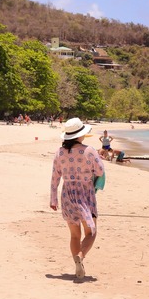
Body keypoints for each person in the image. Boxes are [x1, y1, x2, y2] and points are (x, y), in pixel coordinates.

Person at [50, 118, 105, 280]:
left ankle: (76, 264)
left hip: (67, 193)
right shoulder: (89, 151)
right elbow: (100, 171)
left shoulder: (59, 153)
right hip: (85, 193)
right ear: (80, 135)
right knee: (91, 232)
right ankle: (80, 256)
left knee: (74, 235)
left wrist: (53, 199)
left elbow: (55, 177)